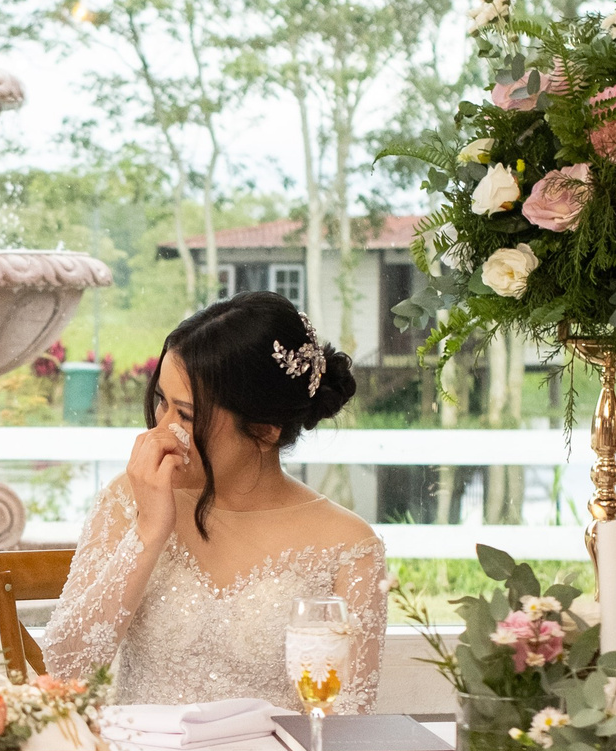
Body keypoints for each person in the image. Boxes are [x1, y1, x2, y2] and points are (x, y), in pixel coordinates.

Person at [43, 291, 385, 708]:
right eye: (161, 403)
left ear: (264, 430)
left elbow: (349, 716)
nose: (161, 431)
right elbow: (64, 668)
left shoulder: (349, 545)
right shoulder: (127, 497)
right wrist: (148, 533)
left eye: (185, 415)